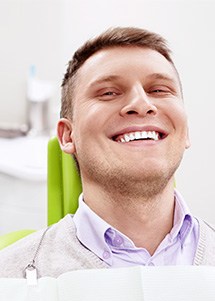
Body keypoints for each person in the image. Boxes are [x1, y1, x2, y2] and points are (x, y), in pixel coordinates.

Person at [0, 27, 215, 279]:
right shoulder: (8, 278)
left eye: (159, 90)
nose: (141, 104)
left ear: (185, 129)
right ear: (68, 136)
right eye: (109, 93)